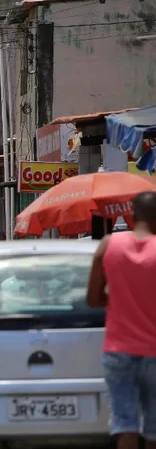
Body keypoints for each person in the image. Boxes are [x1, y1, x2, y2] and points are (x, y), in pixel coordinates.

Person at [87, 191, 156, 449]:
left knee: (125, 424)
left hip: (118, 351)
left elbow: (93, 298)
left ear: (131, 216)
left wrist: (119, 301)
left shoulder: (108, 245)